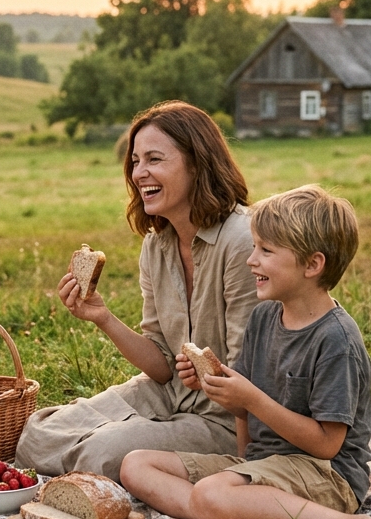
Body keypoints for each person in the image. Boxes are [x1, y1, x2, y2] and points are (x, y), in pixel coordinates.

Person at [119, 185, 371, 519]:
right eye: (254, 247)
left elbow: (327, 444)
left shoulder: (336, 340)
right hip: (264, 464)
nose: (252, 260)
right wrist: (214, 386)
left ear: (313, 265)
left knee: (211, 492)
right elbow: (243, 410)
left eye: (265, 251)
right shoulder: (264, 316)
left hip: (326, 476)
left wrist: (251, 399)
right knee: (136, 465)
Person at [15, 101, 258, 483]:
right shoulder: (156, 245)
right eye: (135, 161)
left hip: (228, 417)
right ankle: (141, 448)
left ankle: (185, 459)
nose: (138, 173)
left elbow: (252, 374)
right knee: (36, 436)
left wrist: (200, 381)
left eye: (154, 159)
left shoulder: (241, 242)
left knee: (102, 451)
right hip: (169, 393)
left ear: (197, 163)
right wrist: (103, 317)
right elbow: (161, 366)